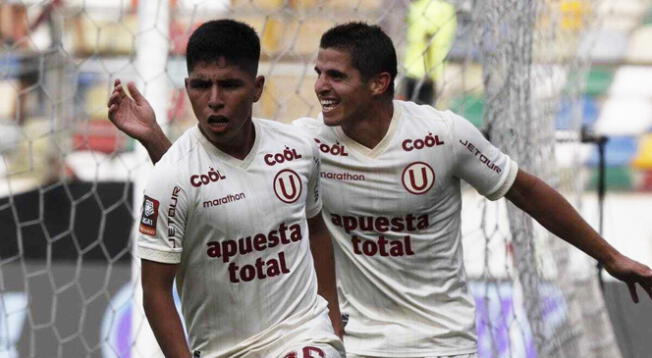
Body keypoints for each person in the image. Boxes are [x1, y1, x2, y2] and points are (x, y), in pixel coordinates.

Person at [110, 21, 652, 358]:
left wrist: (609, 255)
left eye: (335, 76)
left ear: (379, 83)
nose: (320, 87)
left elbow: (526, 190)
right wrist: (159, 141)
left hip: (442, 340)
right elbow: (213, 178)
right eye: (318, 73)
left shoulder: (442, 136)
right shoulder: (305, 144)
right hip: (354, 343)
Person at [108, 19, 344, 358]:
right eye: (202, 85)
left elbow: (317, 231)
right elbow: (156, 292)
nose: (214, 100)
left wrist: (331, 322)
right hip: (225, 350)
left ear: (257, 87)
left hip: (302, 335)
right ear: (187, 87)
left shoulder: (298, 149)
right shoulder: (169, 177)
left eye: (230, 85)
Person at [399, 0, 457, 105]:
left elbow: (429, 42)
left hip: (418, 71)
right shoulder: (447, 9)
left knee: (413, 111)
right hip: (429, 72)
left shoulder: (419, 7)